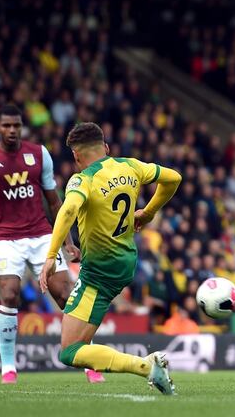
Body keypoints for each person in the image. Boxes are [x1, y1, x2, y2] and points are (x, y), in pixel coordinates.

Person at [38, 122, 182, 395]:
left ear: (76, 157)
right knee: (82, 339)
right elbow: (173, 178)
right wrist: (149, 213)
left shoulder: (83, 179)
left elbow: (67, 210)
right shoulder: (131, 166)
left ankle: (148, 367)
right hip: (127, 261)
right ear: (105, 148)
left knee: (70, 351)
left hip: (99, 270)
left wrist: (50, 256)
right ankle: (149, 364)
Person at [0, 104, 105, 384]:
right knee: (8, 295)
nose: (12, 130)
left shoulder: (38, 154)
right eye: (6, 126)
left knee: (67, 296)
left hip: (42, 235)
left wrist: (67, 240)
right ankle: (8, 369)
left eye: (16, 125)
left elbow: (55, 202)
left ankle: (89, 363)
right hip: (6, 238)